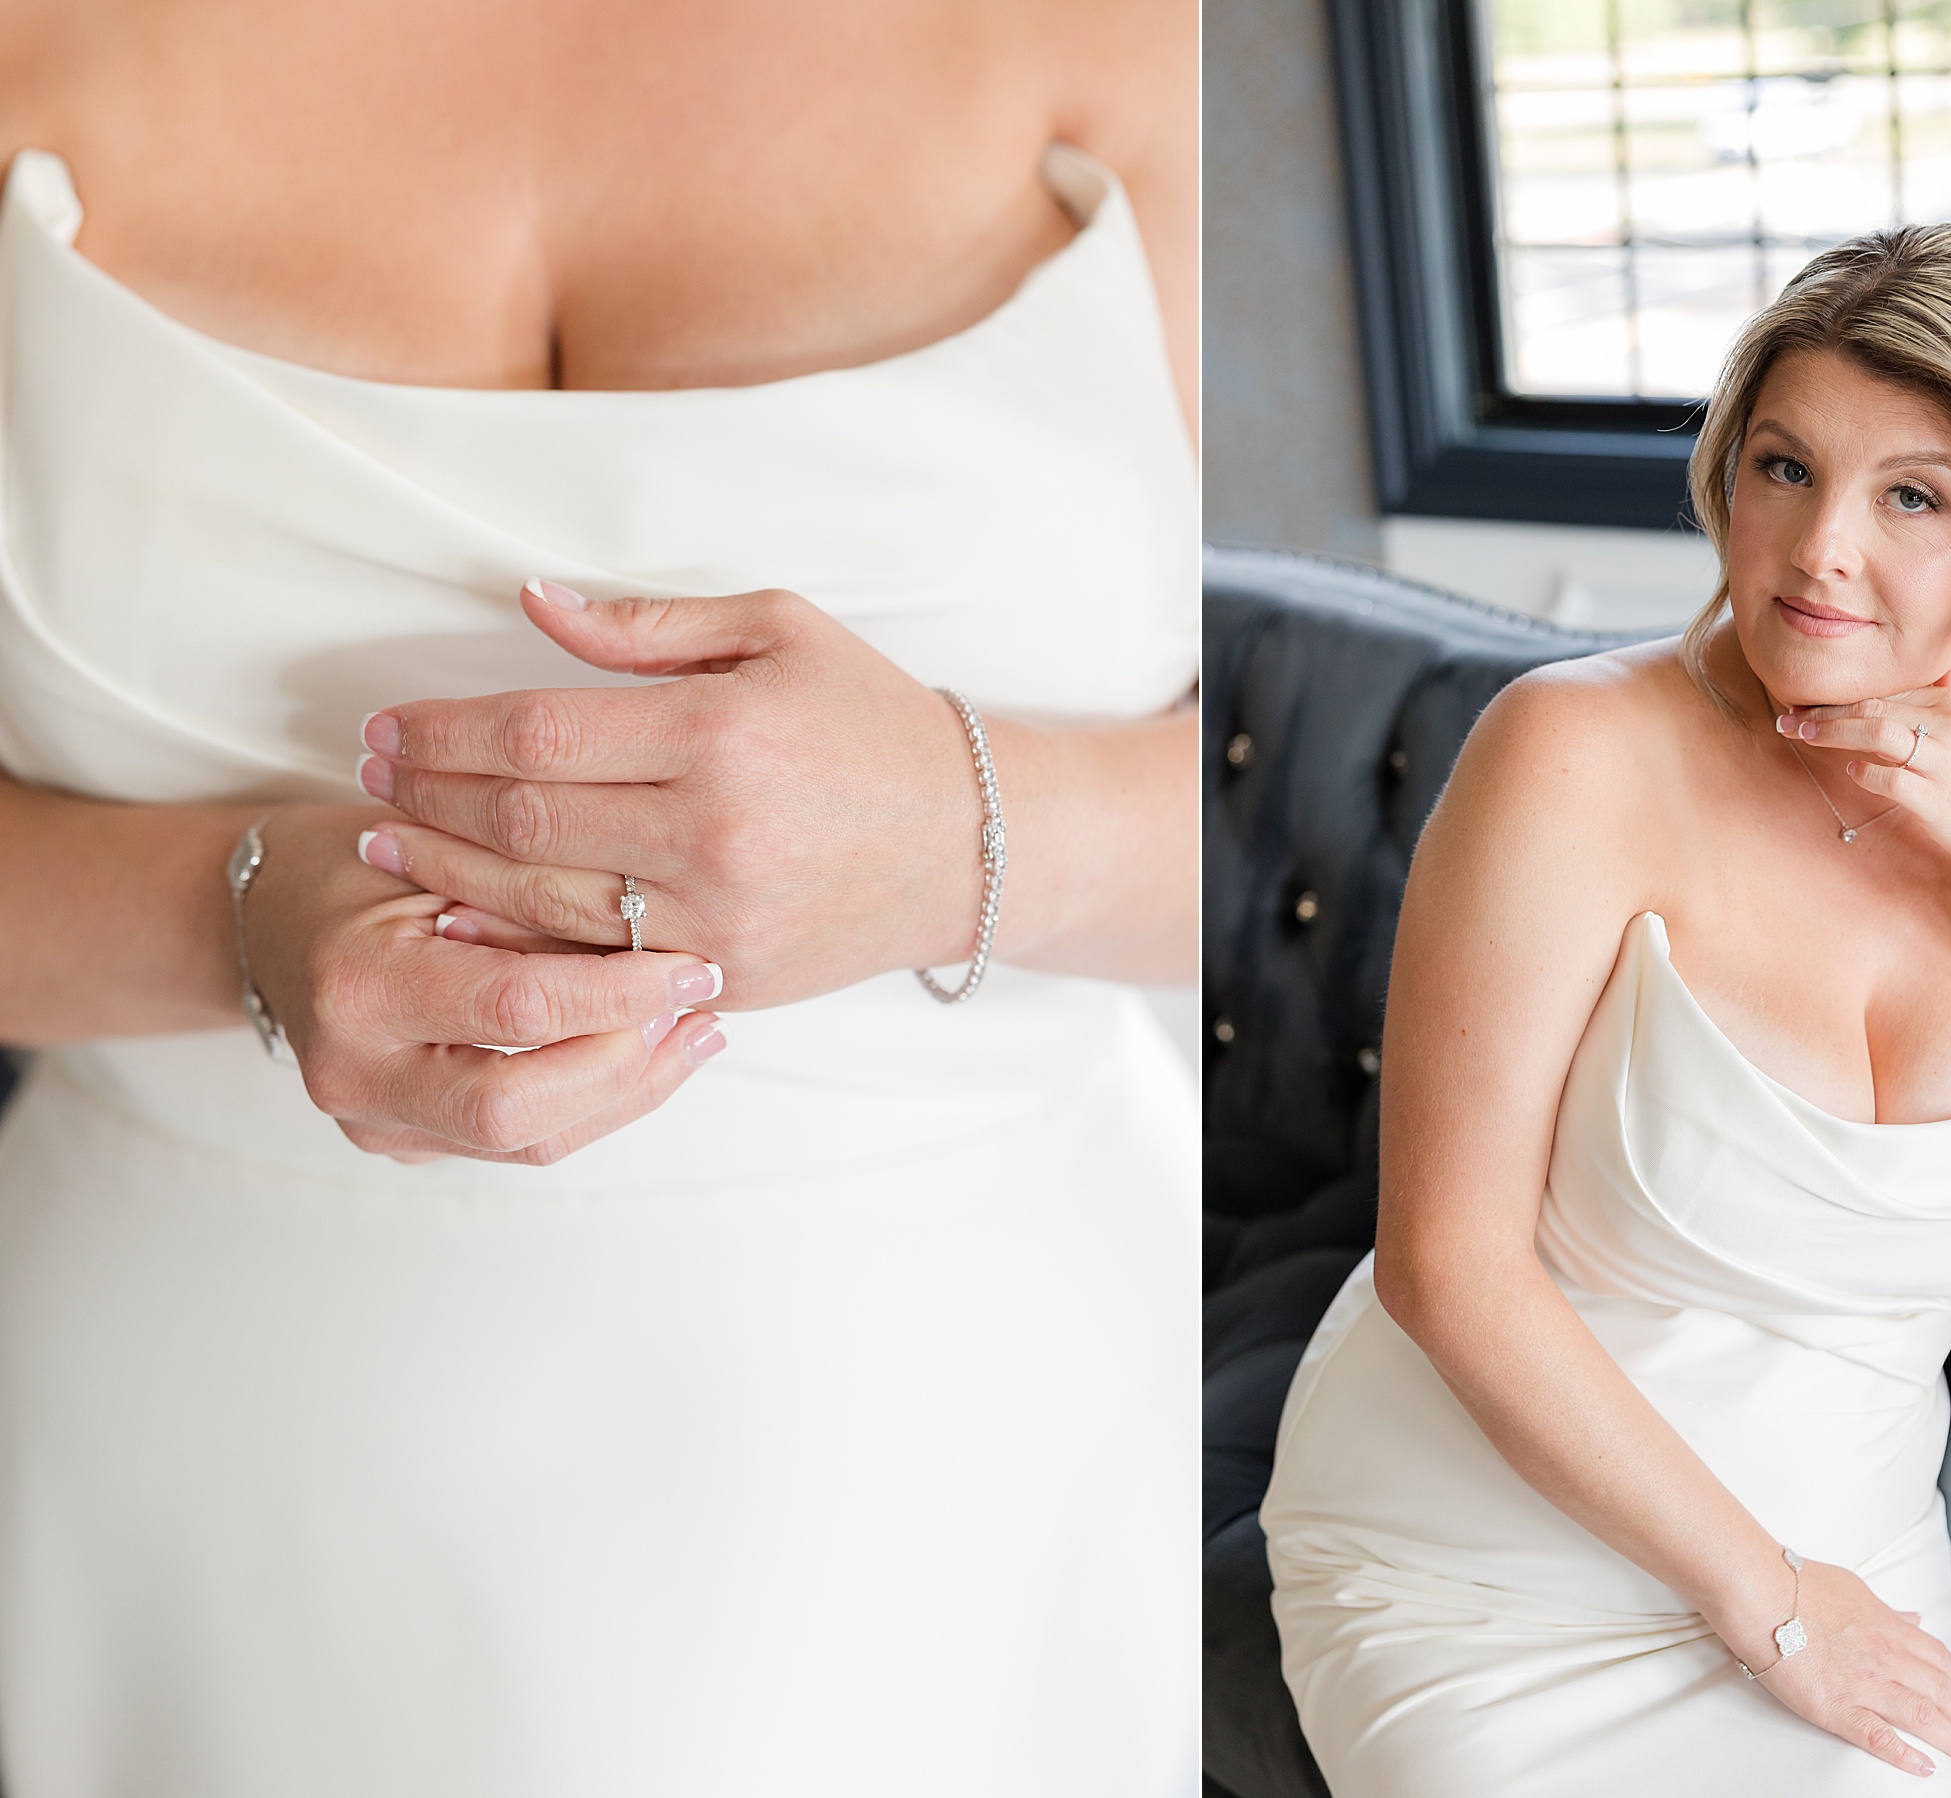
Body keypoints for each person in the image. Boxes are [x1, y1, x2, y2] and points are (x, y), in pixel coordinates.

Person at [0, 3, 1195, 1792]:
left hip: (978, 1433)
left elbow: (1323, 844)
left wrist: (967, 828)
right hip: (221, 1452)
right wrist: (225, 914)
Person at [1260, 225, 1951, 1794]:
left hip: (1854, 1560)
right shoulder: (1570, 750)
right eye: (1783, 466)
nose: (1817, 547)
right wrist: (1777, 1610)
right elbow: (1448, 1267)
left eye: (1911, 495)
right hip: (1493, 1568)